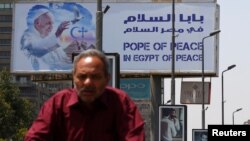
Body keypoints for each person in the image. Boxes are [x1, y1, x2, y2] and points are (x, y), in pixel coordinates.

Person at [24, 49, 145, 141]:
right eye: (82, 77)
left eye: (95, 77)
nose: (88, 83)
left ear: (107, 79)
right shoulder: (58, 103)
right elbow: (35, 138)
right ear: (73, 77)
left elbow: (134, 137)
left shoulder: (121, 102)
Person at [21, 5, 72, 70]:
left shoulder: (50, 39)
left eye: (52, 23)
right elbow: (37, 49)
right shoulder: (27, 38)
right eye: (48, 23)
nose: (51, 27)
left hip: (56, 77)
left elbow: (63, 62)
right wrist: (57, 34)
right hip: (35, 77)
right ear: (37, 23)